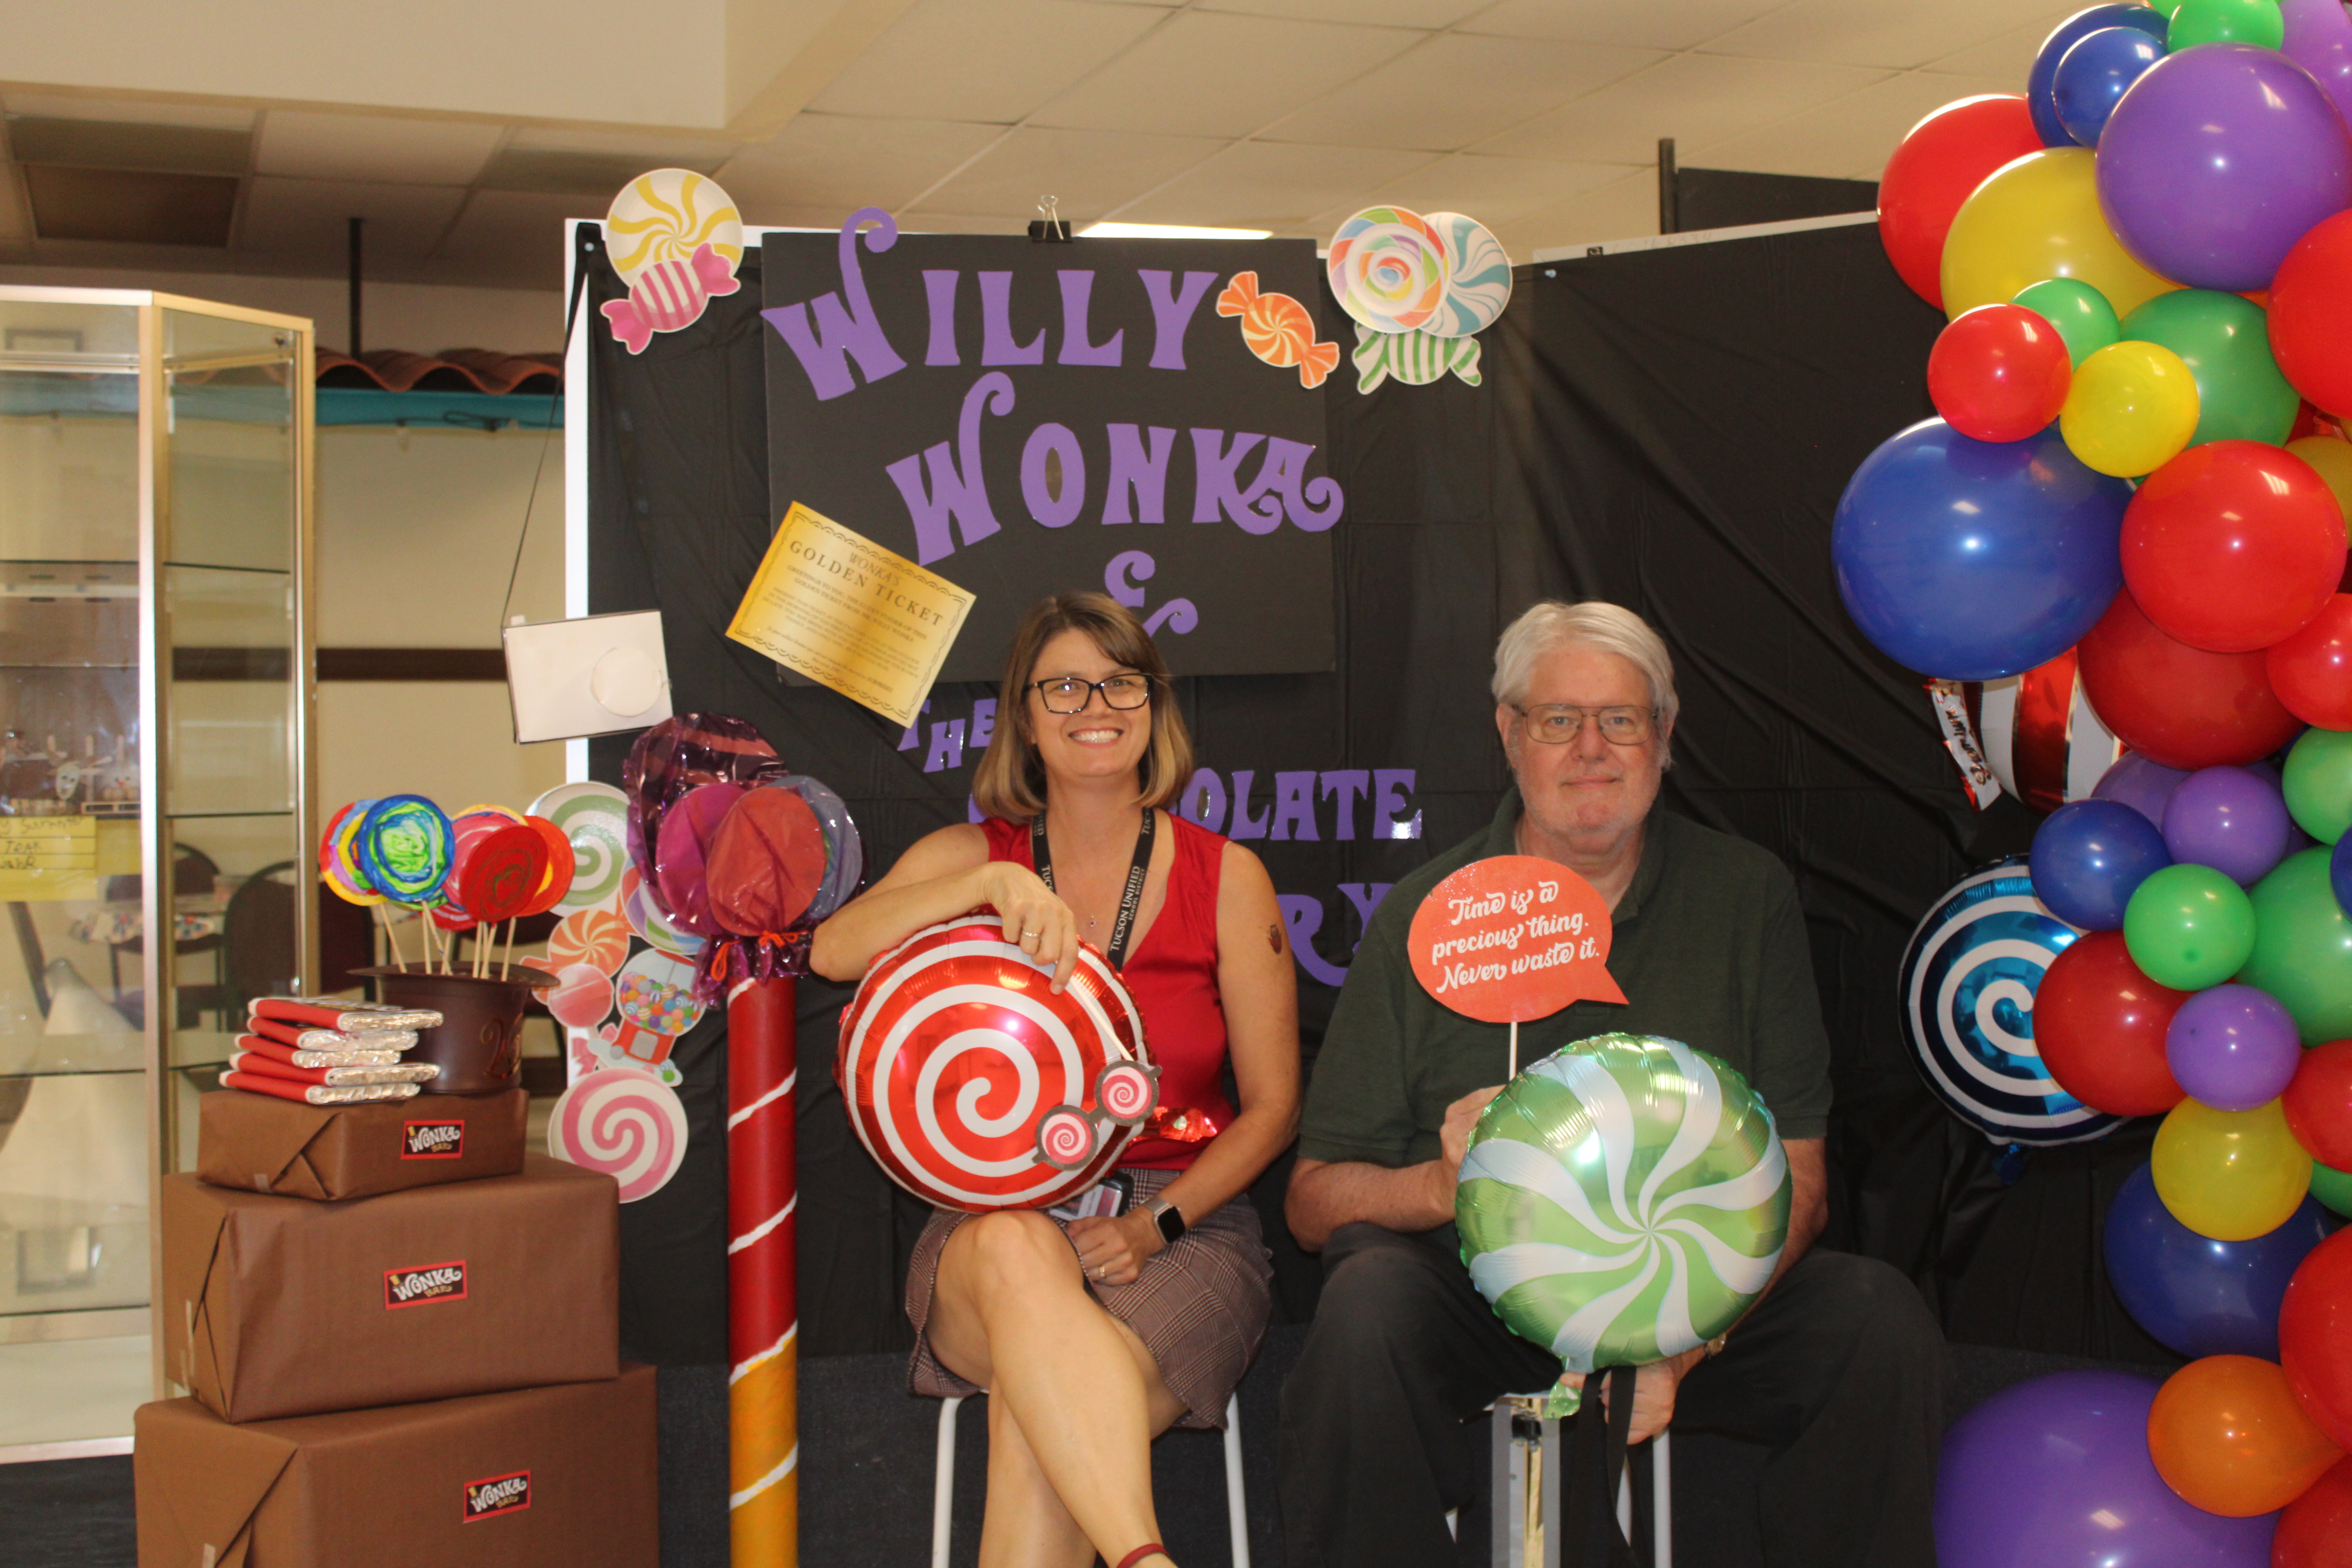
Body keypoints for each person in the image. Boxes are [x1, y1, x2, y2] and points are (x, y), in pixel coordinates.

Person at [1277, 600, 1943, 1568]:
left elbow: (1801, 1175)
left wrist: (1684, 1343)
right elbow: (1309, 1204)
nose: (1591, 748)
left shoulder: (1745, 896)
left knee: (1877, 1320)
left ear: (1665, 738)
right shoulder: (1429, 911)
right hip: (1476, 1294)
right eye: (1558, 719)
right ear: (1509, 734)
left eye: (1622, 719)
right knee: (1365, 1306)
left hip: (1693, 1299)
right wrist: (1441, 1179)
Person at [812, 591, 1299, 1568]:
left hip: (1183, 1229)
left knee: (1044, 1419)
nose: (1095, 703)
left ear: (1154, 705)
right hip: (995, 1225)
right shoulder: (974, 854)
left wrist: (1149, 1225)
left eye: (1121, 681)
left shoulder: (1225, 876)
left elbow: (1276, 1108)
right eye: (1065, 684)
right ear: (1024, 717)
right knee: (1011, 1246)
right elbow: (832, 950)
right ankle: (1143, 1557)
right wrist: (984, 887)